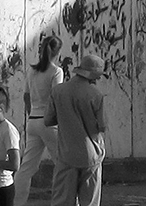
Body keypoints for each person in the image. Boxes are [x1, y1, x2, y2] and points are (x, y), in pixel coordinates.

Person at [44, 54, 106, 206]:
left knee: (62, 201)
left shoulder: (58, 91)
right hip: (91, 155)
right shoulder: (96, 94)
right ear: (93, 76)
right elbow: (102, 126)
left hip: (66, 155)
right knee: (89, 202)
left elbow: (48, 120)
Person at [13, 35, 64, 206]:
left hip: (33, 119)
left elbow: (26, 96)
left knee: (27, 166)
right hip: (49, 121)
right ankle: (67, 201)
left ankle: (16, 202)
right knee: (63, 164)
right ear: (57, 52)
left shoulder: (32, 71)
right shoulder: (56, 71)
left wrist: (31, 114)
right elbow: (56, 97)